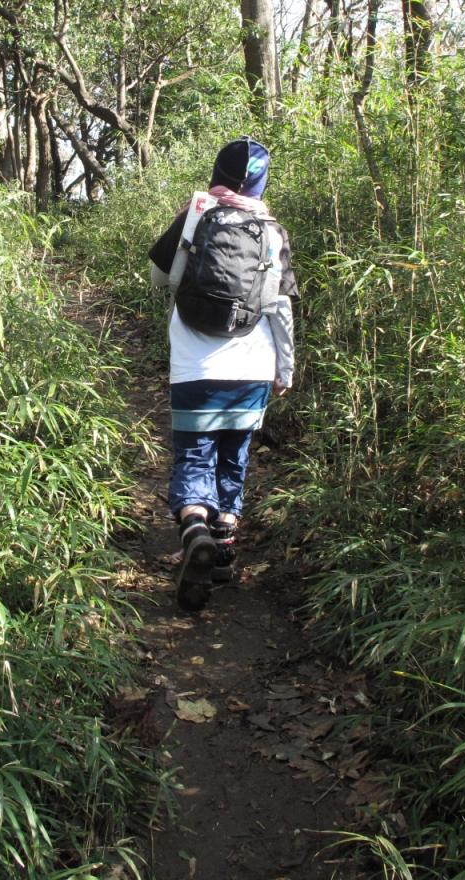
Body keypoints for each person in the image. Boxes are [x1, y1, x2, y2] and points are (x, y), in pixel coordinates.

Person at [148, 136, 298, 612]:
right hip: (253, 368)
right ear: (261, 183)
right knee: (234, 458)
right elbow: (281, 310)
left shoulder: (195, 214)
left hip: (194, 367)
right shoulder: (272, 231)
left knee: (194, 457)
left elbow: (159, 278)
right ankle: (223, 554)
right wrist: (285, 368)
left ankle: (195, 528)